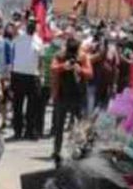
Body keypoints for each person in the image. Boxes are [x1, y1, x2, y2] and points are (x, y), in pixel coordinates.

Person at [49, 35, 91, 165]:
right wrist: (63, 66)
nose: (72, 54)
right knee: (59, 126)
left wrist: (80, 69)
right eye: (70, 51)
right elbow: (52, 68)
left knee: (81, 125)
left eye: (74, 51)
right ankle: (57, 151)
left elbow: (90, 72)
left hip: (78, 96)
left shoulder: (83, 56)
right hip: (62, 95)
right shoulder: (60, 55)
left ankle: (82, 149)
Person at [10, 19, 43, 140]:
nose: (31, 25)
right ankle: (17, 131)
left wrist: (41, 74)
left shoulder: (38, 40)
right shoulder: (19, 36)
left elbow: (40, 60)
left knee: (32, 106)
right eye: (29, 23)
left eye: (33, 24)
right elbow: (13, 29)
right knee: (17, 105)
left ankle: (30, 131)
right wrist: (23, 21)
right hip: (18, 74)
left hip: (33, 76)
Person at [38, 32, 62, 138]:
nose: (59, 39)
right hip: (46, 82)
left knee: (56, 109)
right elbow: (40, 62)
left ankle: (54, 129)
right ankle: (39, 129)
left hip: (58, 84)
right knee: (41, 107)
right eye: (58, 37)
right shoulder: (46, 48)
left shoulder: (63, 51)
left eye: (61, 37)